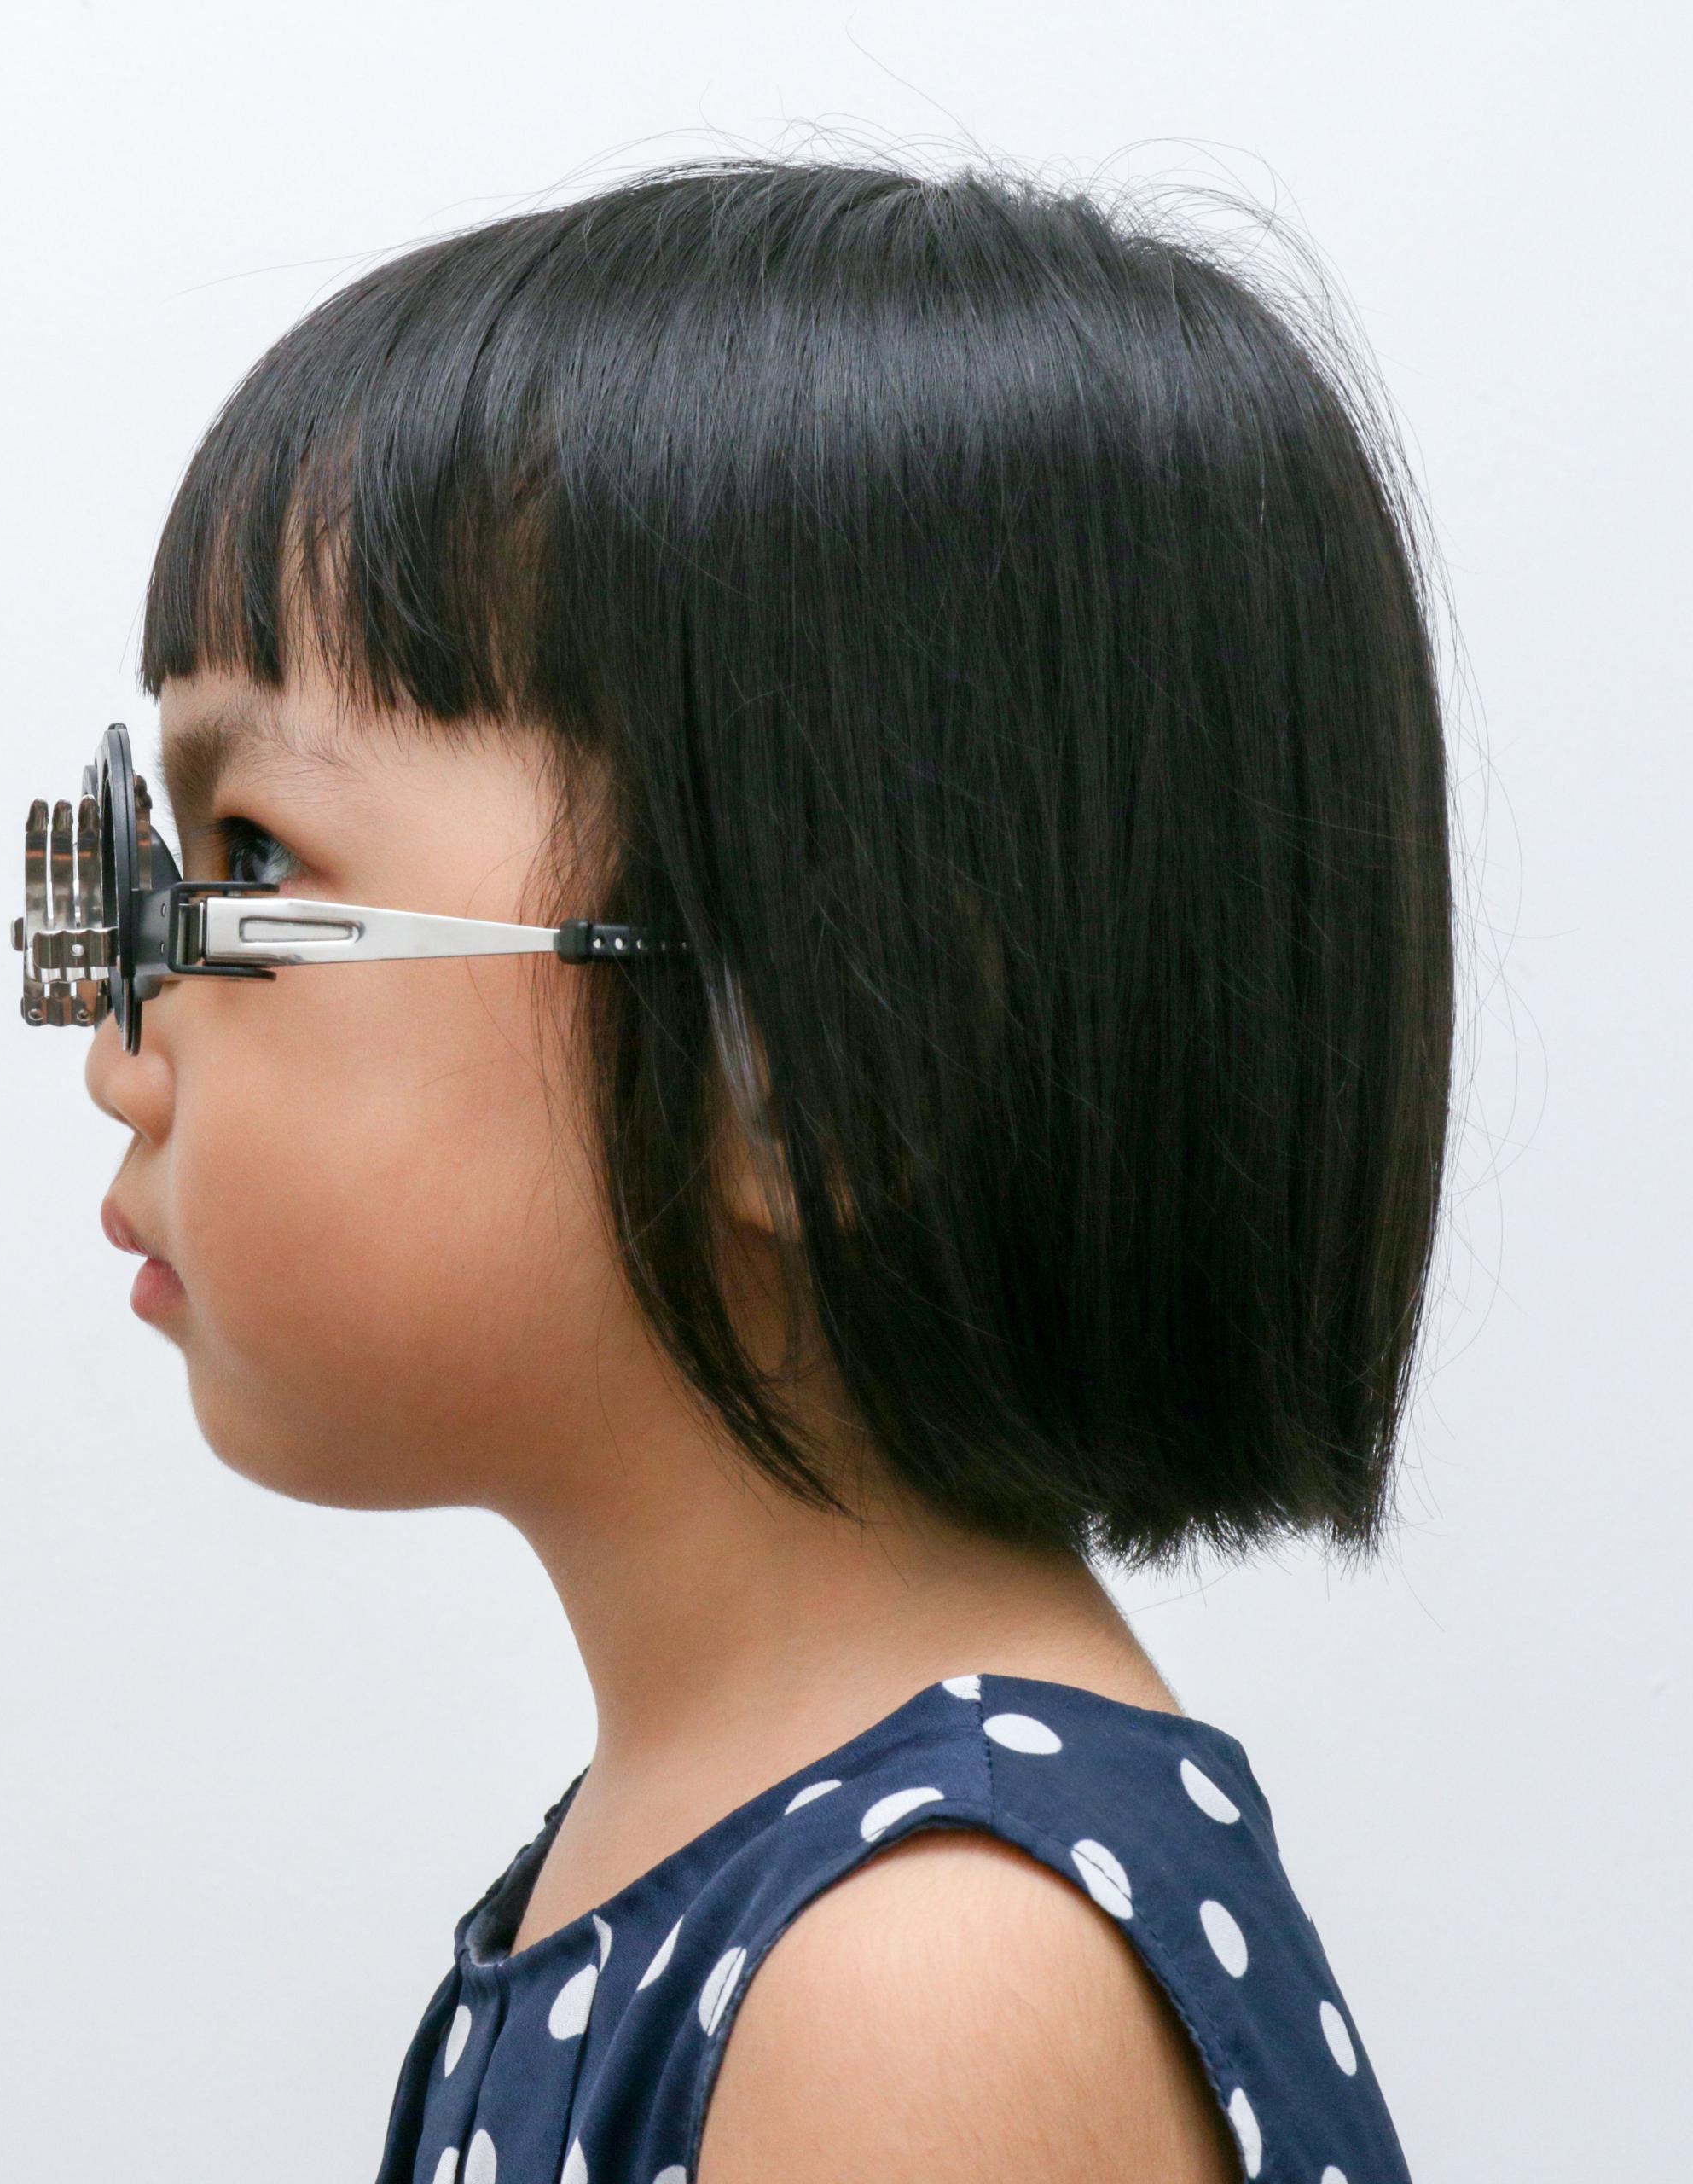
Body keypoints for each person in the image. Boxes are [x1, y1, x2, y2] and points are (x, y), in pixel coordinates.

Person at [80, 156, 1445, 2184]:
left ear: (816, 1063)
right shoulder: (717, 1865)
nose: (122, 1046)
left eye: (257, 864)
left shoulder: (924, 1975)